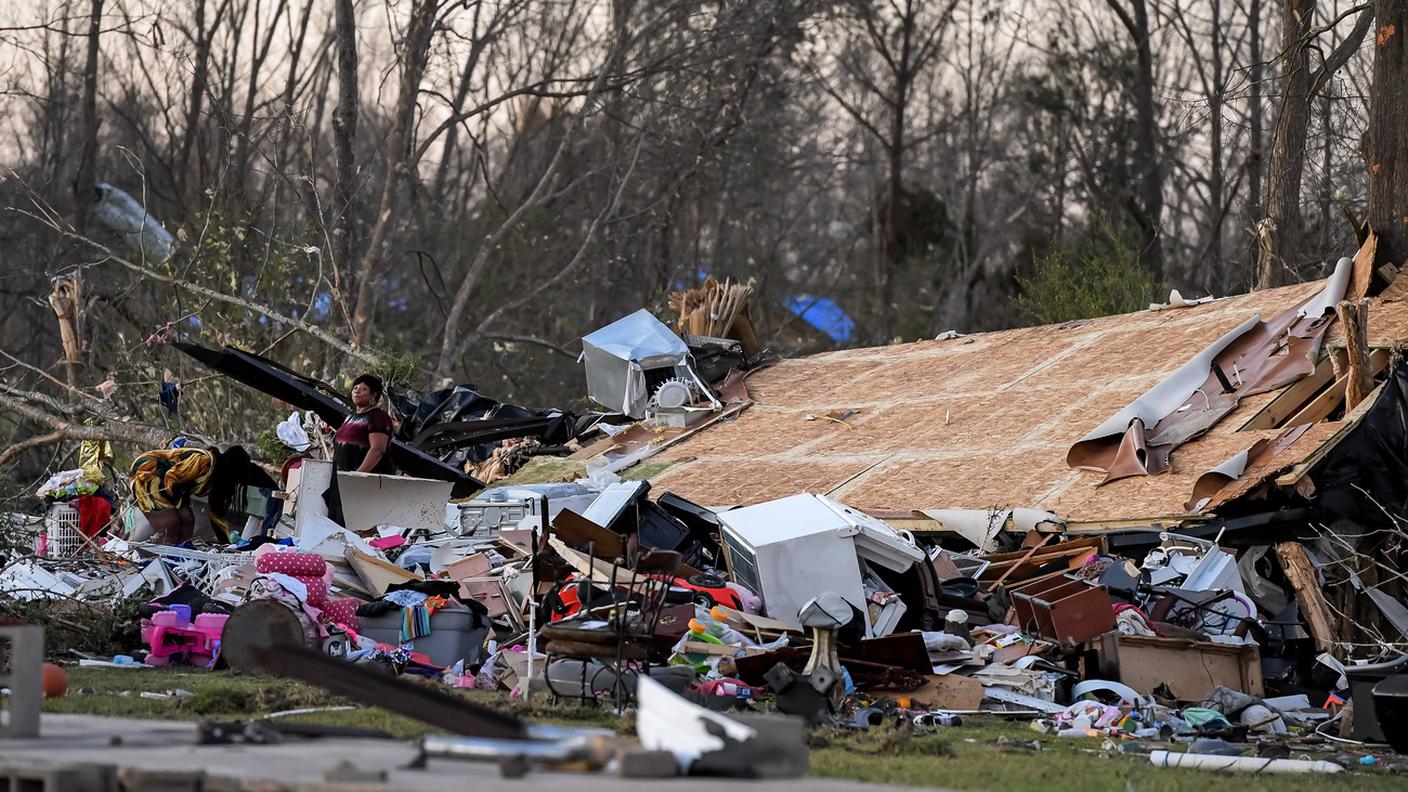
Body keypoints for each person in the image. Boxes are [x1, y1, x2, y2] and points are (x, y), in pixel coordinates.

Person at [129, 445, 260, 544]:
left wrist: (227, 543)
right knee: (170, 522)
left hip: (172, 486)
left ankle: (181, 552)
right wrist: (173, 508)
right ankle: (165, 556)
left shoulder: (216, 478)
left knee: (188, 519)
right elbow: (171, 477)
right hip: (148, 474)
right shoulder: (204, 461)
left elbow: (215, 514)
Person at [333, 373, 396, 474]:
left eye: (364, 389)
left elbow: (377, 450)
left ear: (373, 394)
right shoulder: (350, 417)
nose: (357, 391)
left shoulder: (378, 417)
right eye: (355, 388)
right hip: (342, 478)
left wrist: (358, 474)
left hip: (366, 481)